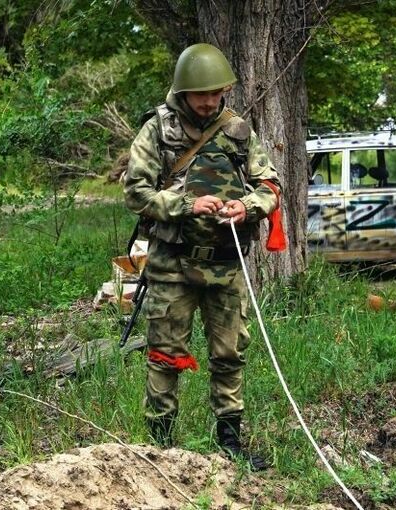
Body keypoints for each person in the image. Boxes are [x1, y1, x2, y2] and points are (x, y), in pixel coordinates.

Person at [124, 43, 285, 471]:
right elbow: (136, 193)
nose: (210, 101)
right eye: (202, 94)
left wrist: (246, 207)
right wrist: (186, 204)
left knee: (230, 354)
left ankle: (230, 443)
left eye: (217, 93)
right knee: (165, 355)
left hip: (227, 264)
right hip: (172, 262)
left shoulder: (238, 131)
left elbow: (270, 185)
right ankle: (160, 448)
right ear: (183, 92)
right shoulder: (157, 131)